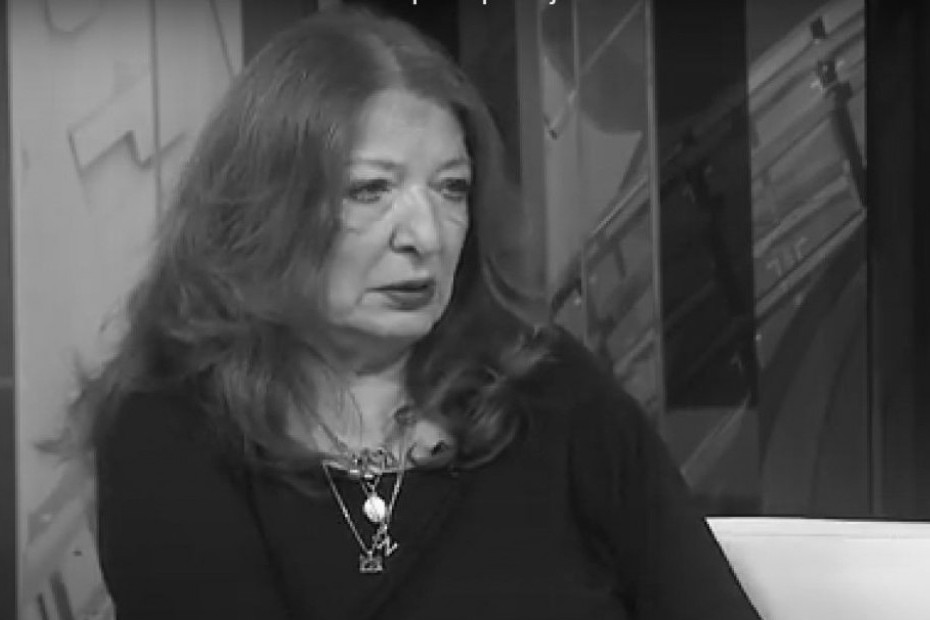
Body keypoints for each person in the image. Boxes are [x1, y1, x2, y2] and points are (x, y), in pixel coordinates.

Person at [60, 8, 762, 620]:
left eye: (451, 189)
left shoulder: (556, 391)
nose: (426, 235)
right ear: (265, 209)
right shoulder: (172, 430)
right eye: (371, 190)